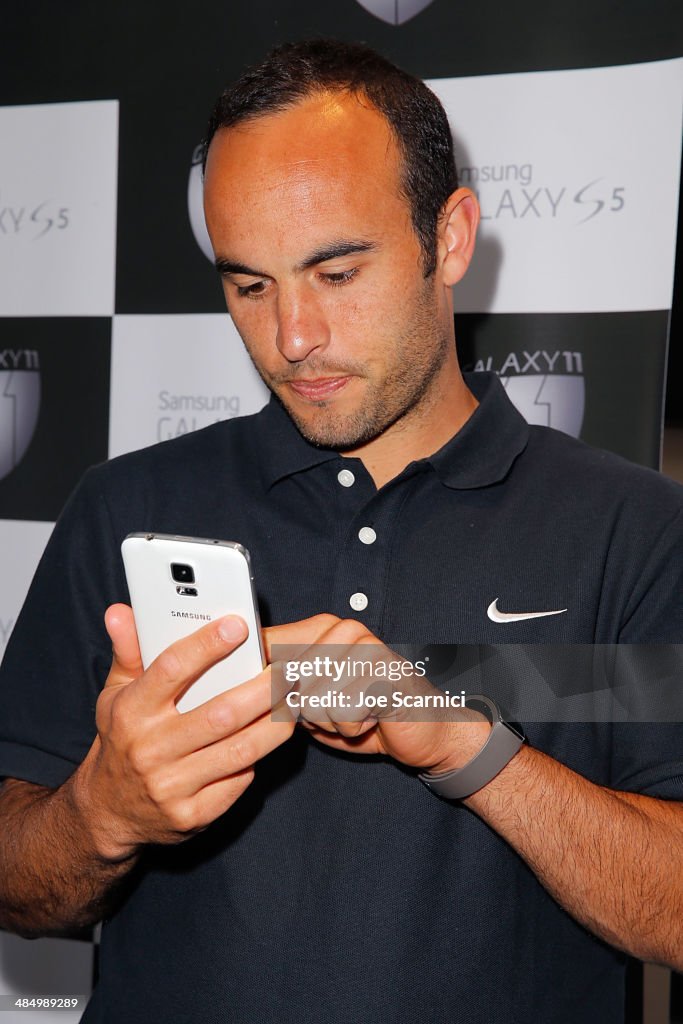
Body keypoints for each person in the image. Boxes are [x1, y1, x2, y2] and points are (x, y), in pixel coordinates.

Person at [0, 39, 682, 1024]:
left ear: (447, 239)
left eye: (335, 270)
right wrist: (101, 815)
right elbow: (17, 872)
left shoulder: (633, 528)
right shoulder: (126, 506)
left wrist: (465, 745)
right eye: (249, 285)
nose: (291, 337)